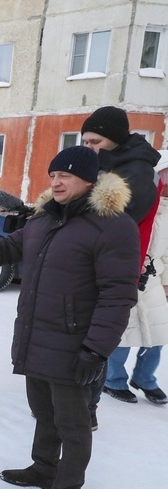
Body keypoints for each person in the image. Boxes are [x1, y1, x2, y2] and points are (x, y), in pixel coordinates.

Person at [0, 146, 140, 489]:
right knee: (43, 412)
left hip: (76, 344)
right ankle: (44, 468)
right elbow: (7, 249)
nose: (56, 182)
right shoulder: (44, 220)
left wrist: (95, 350)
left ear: (90, 180)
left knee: (73, 425)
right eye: (53, 175)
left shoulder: (113, 227)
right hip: (37, 335)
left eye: (66, 175)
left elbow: (118, 295)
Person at [80, 106, 162, 424]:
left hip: (115, 265)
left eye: (94, 141)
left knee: (97, 340)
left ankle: (88, 408)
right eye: (84, 141)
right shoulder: (106, 162)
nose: (88, 147)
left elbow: (113, 223)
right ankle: (75, 402)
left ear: (114, 138)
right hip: (94, 260)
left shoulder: (137, 171)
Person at [103, 153, 168, 406]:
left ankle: (145, 378)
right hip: (128, 277)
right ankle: (114, 380)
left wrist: (165, 282)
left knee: (159, 334)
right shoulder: (140, 204)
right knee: (124, 334)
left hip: (154, 281)